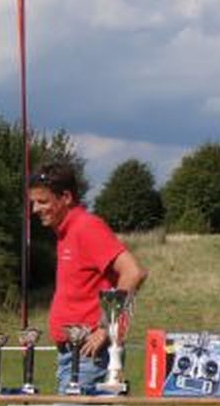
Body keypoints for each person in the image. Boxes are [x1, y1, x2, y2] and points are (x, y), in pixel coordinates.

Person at [27, 162, 148, 393]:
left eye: (42, 201)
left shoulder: (86, 227)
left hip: (89, 356)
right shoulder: (66, 232)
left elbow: (133, 272)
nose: (35, 209)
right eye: (33, 202)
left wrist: (105, 328)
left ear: (66, 197)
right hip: (75, 355)